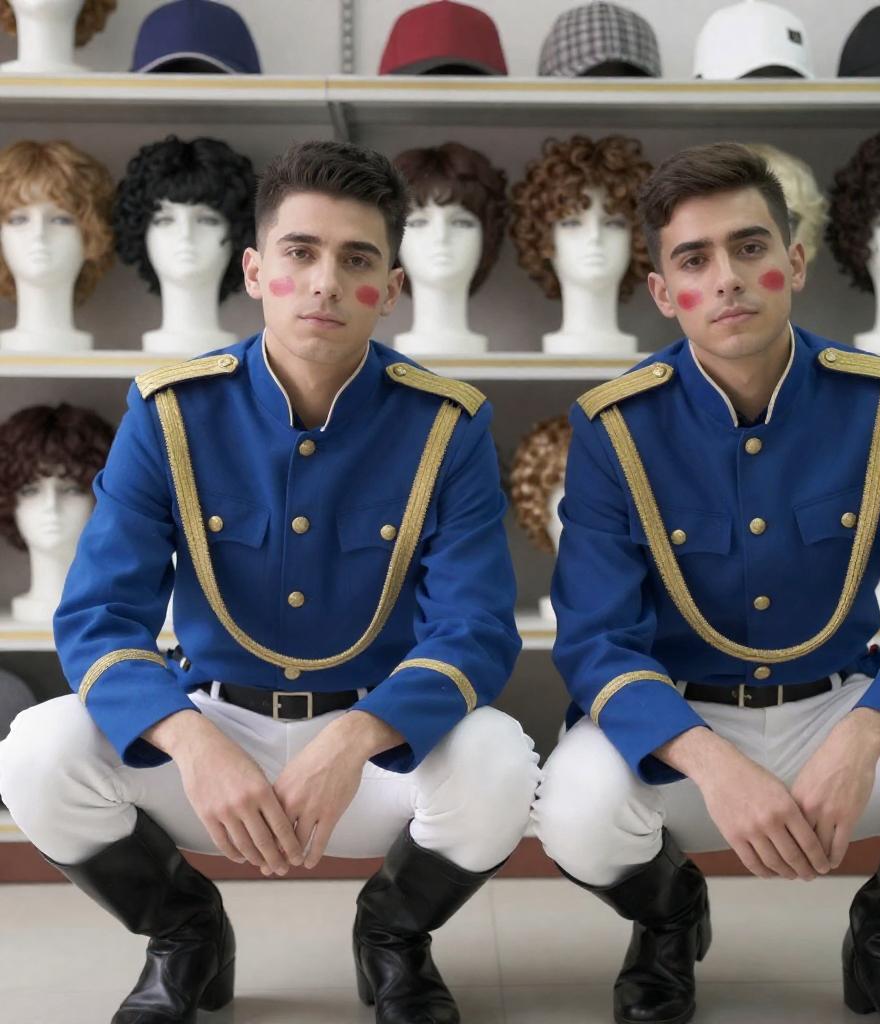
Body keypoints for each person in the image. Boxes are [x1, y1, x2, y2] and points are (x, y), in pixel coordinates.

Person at [0, 139, 540, 1024]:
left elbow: (475, 630)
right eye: (301, 252)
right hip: (215, 737)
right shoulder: (171, 414)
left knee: (499, 760)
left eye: (356, 260)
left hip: (374, 754)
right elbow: (99, 616)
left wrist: (357, 736)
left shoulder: (448, 427)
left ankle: (394, 937)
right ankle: (185, 936)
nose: (325, 282)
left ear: (390, 289)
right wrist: (190, 741)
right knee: (36, 750)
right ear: (255, 271)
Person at [531, 141, 880, 1024]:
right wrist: (713, 764)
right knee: (574, 806)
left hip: (841, 713)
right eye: (694, 260)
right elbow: (597, 642)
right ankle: (669, 925)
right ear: (663, 293)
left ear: (793, 262)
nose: (727, 278)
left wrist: (864, 736)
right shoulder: (614, 427)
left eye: (750, 247)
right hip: (685, 732)